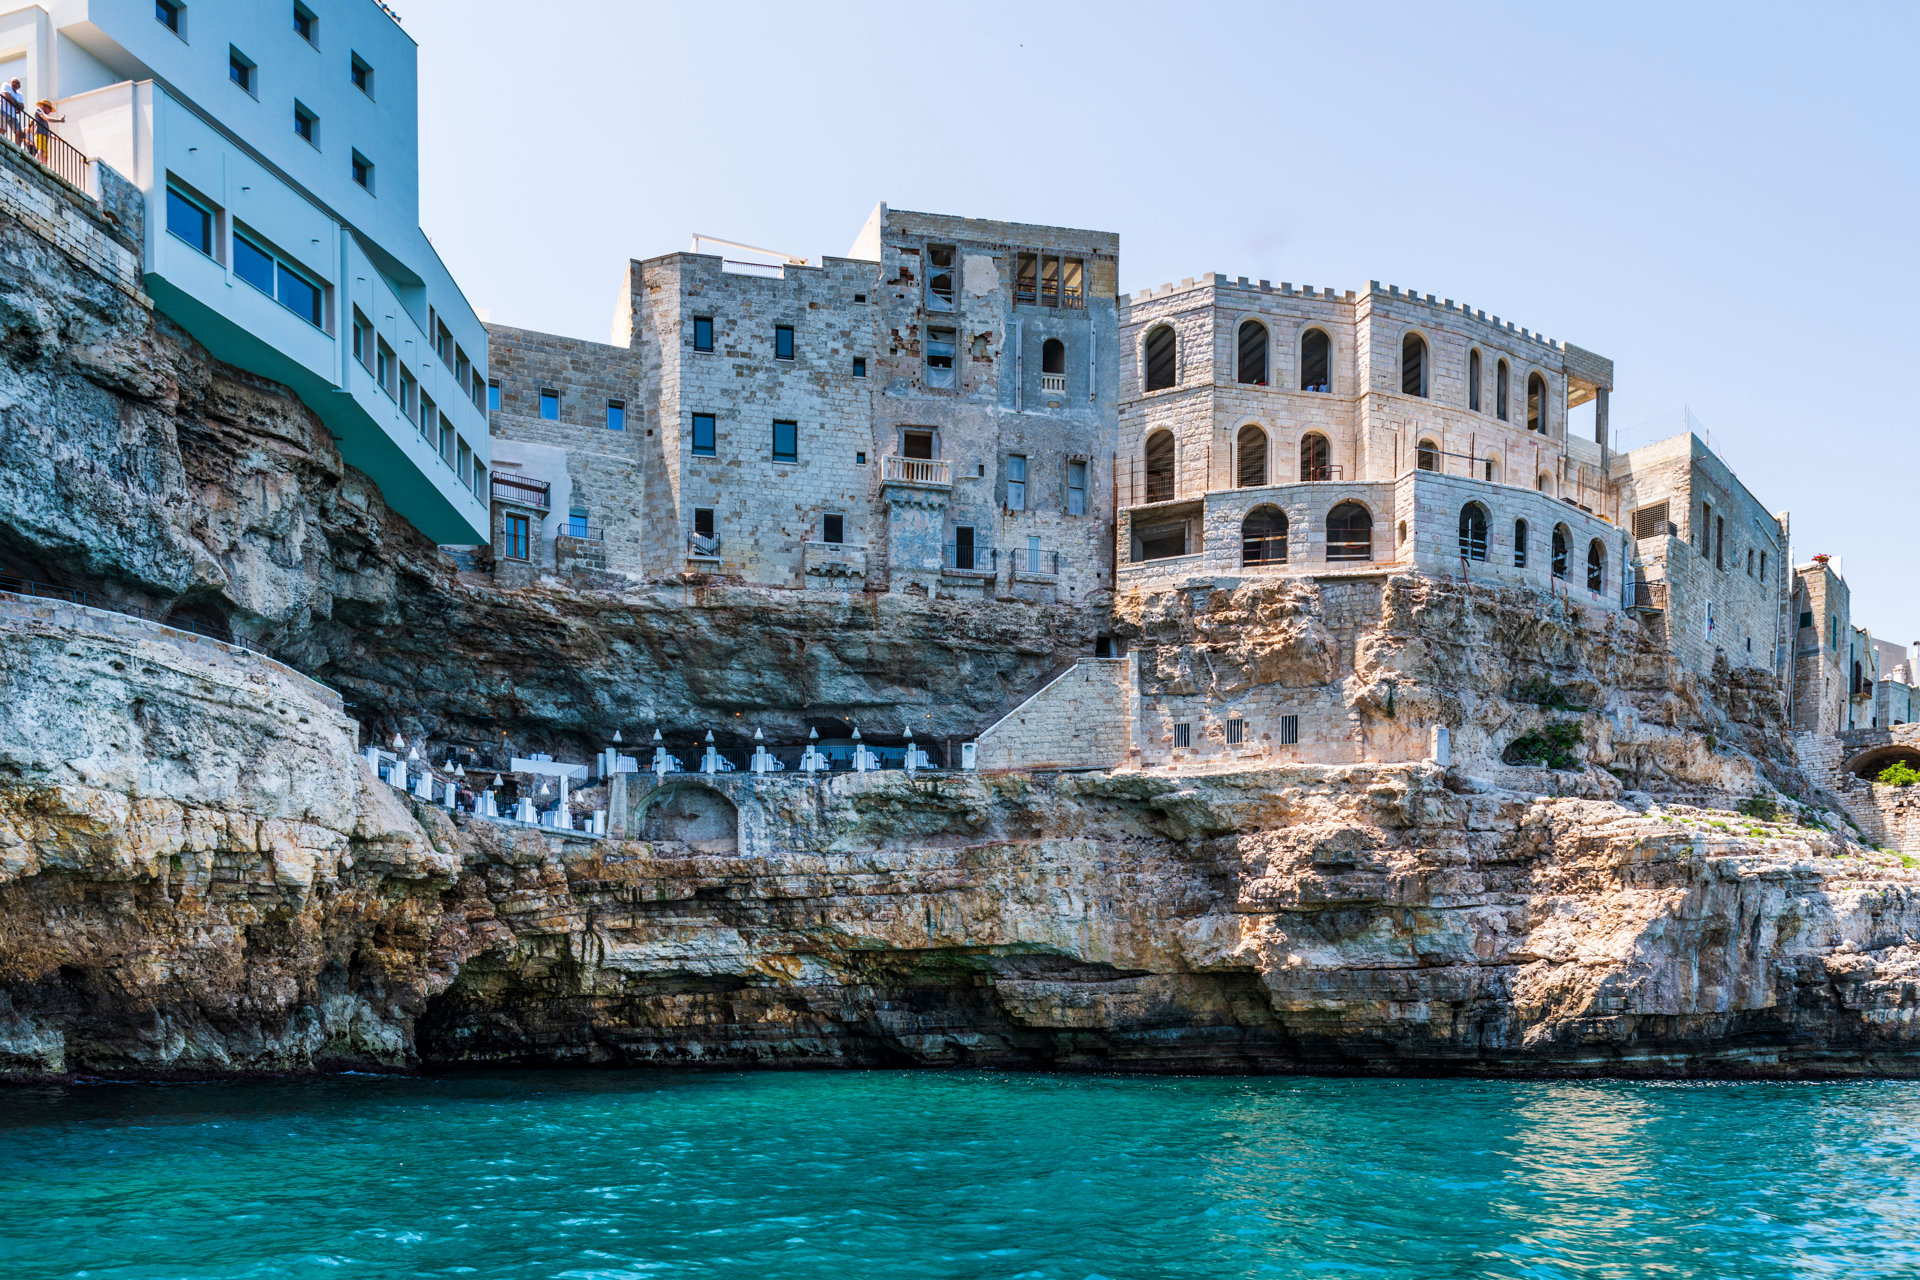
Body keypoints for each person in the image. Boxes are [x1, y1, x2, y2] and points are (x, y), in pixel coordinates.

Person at [30, 100, 64, 166]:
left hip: (44, 136)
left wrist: (57, 139)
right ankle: (34, 163)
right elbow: (47, 118)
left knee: (45, 156)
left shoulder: (44, 121)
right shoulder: (39, 110)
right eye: (50, 109)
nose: (50, 111)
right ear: (44, 106)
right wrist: (59, 120)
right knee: (41, 151)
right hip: (40, 134)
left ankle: (43, 167)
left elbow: (47, 132)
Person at [0, 79, 24, 147]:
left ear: (19, 86)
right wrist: (17, 104)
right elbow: (8, 97)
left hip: (13, 115)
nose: (15, 84)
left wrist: (13, 100)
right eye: (13, 82)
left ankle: (17, 149)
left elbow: (22, 107)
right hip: (3, 110)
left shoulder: (20, 94)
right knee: (2, 130)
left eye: (17, 83)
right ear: (10, 82)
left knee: (20, 132)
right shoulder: (6, 85)